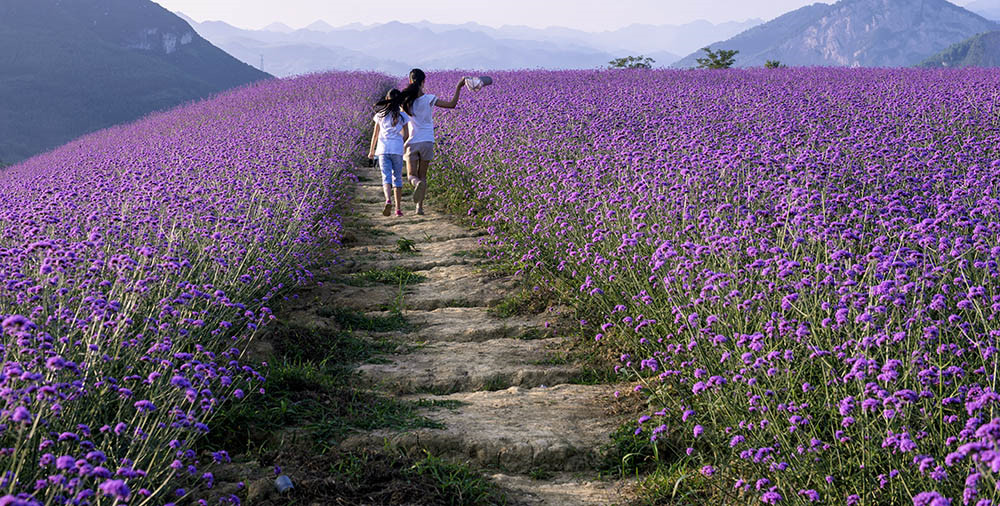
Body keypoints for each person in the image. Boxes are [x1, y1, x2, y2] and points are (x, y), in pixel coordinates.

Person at [399, 68, 467, 215]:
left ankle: (416, 184)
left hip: (412, 142)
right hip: (428, 141)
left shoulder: (405, 102)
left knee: (412, 175)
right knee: (423, 176)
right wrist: (458, 87)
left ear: (410, 81)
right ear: (423, 82)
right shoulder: (430, 98)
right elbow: (452, 104)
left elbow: (399, 120)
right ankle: (420, 208)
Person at [368, 89, 410, 217]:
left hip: (383, 149)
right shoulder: (403, 116)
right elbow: (407, 134)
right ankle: (398, 209)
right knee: (397, 178)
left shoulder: (380, 115)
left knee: (386, 177)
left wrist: (371, 151)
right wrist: (400, 142)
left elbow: (375, 135)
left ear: (387, 98)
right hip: (397, 150)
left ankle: (387, 200)